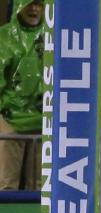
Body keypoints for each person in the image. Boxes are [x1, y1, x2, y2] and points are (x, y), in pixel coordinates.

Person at [0, 0, 43, 190]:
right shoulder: (4, 37)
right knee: (7, 184)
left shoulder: (55, 37)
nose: (33, 9)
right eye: (29, 4)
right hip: (9, 118)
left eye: (38, 4)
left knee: (40, 187)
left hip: (44, 119)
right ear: (18, 6)